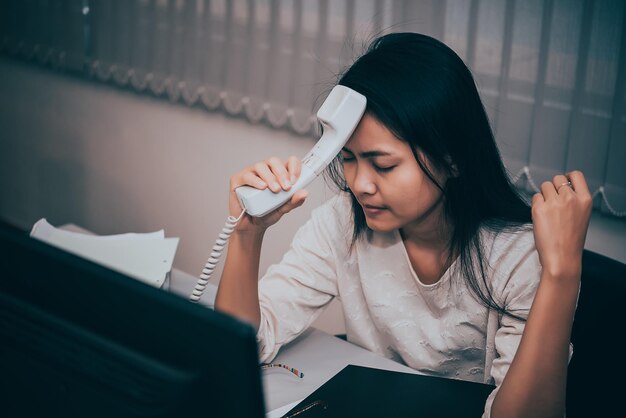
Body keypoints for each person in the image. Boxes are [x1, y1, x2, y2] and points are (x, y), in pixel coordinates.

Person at [214, 32, 592, 417]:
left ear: (451, 159)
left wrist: (561, 272)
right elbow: (240, 348)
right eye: (348, 159)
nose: (360, 184)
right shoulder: (344, 221)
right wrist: (247, 234)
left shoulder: (517, 256)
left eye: (384, 165)